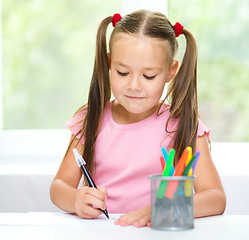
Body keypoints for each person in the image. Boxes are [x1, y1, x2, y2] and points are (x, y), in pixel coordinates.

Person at [50, 10, 226, 228]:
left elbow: (215, 198)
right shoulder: (90, 118)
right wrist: (76, 200)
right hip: (102, 231)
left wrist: (161, 209)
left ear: (171, 71)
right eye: (122, 72)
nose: (134, 85)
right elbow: (59, 186)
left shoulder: (184, 125)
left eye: (149, 76)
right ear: (109, 63)